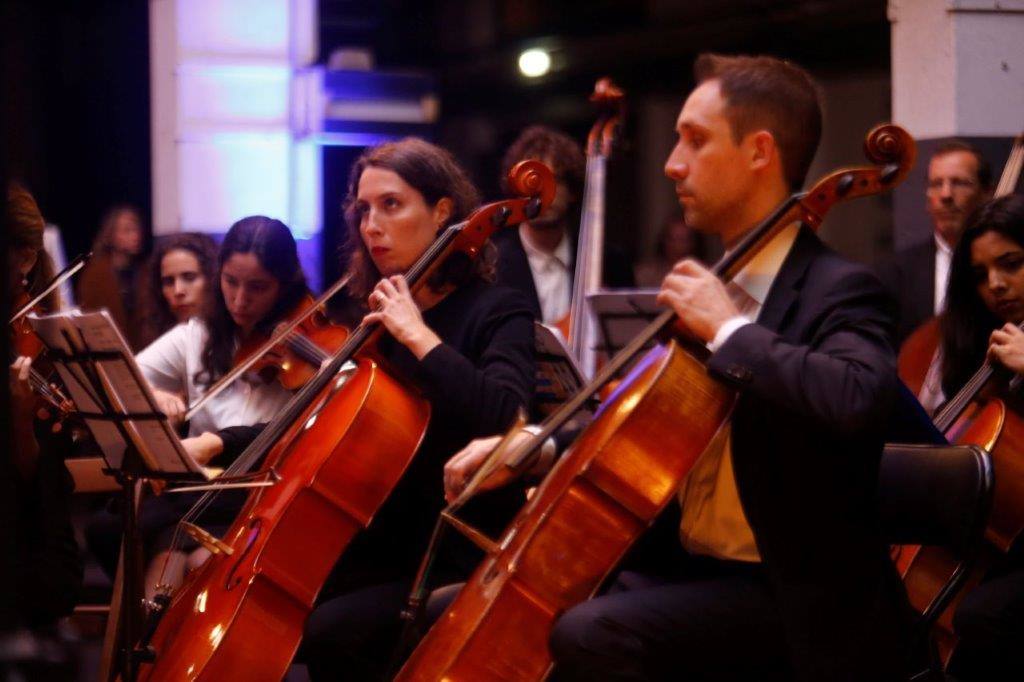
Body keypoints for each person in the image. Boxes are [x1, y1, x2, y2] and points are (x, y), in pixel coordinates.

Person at [444, 53, 914, 681]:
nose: (671, 164)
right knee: (467, 606)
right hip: (684, 566)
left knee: (591, 634)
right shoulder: (713, 283)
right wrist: (537, 444)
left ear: (760, 152)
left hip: (791, 592)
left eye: (695, 140)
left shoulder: (839, 288)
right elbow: (640, 423)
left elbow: (860, 397)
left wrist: (727, 328)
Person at [299, 137, 536, 680]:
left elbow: (507, 417)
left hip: (448, 549)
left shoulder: (498, 310)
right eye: (363, 210)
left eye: (391, 205)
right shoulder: (376, 320)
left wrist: (417, 336)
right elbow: (316, 426)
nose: (371, 225)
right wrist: (219, 442)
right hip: (380, 537)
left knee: (330, 629)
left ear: (443, 213)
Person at [85, 216, 306, 598]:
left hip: (261, 495)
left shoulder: (311, 340)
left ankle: (162, 644)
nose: (239, 300)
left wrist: (216, 441)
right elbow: (121, 378)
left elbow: (308, 426)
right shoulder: (200, 333)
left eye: (257, 287)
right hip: (204, 486)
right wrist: (154, 397)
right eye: (230, 282)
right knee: (123, 528)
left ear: (285, 284)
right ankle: (151, 647)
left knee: (183, 552)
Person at [925, 194, 1024, 681]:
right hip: (1006, 543)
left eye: (1012, 264)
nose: (997, 285)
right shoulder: (984, 350)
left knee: (981, 617)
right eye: (981, 275)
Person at [4, 182, 82, 633]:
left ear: (27, 259)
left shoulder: (48, 352)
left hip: (32, 542)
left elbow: (38, 489)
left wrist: (18, 423)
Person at [492, 125, 634, 325]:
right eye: (533, 181)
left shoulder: (610, 263)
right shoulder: (491, 266)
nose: (543, 194)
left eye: (555, 180)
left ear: (573, 191)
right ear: (517, 190)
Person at [877, 140, 992, 344]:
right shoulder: (894, 273)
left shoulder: (1007, 268)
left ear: (986, 194)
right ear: (928, 197)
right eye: (936, 184)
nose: (946, 195)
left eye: (960, 183)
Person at [78, 204, 147, 349]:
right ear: (110, 235)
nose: (136, 235)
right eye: (127, 230)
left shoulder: (145, 272)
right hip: (108, 351)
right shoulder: (94, 275)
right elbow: (90, 320)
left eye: (137, 229)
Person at [136, 232, 218, 348]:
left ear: (212, 278)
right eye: (168, 282)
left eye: (189, 277)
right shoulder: (158, 339)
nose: (178, 291)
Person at [634, 214, 704, 287]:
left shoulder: (704, 275)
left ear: (692, 243)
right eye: (672, 239)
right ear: (663, 241)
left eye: (683, 240)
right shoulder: (645, 275)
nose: (677, 245)